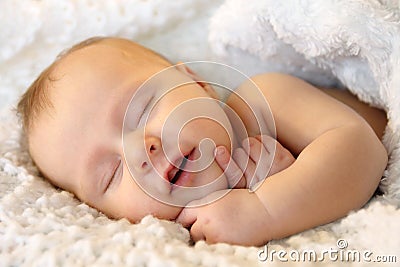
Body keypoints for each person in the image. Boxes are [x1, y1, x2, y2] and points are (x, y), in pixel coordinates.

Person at [17, 37, 388, 246]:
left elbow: (361, 148)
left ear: (196, 83)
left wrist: (264, 209)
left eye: (142, 109)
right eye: (111, 173)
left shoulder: (262, 101)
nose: (139, 152)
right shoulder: (198, 233)